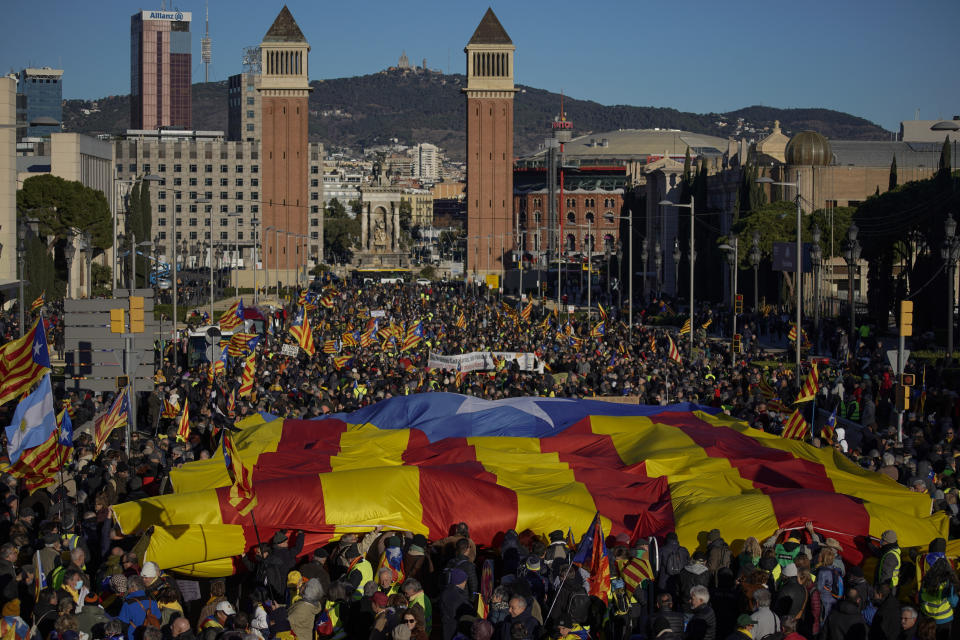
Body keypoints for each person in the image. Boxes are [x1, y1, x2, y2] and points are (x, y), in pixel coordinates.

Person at [117, 575, 162, 640]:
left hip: (134, 637)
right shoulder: (152, 601)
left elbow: (122, 625)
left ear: (133, 588)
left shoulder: (128, 604)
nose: (128, 590)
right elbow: (159, 620)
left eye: (128, 588)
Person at [439, 568, 472, 640]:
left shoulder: (446, 591)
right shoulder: (458, 597)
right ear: (461, 581)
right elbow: (468, 611)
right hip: (454, 629)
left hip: (446, 626)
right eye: (465, 581)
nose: (465, 583)